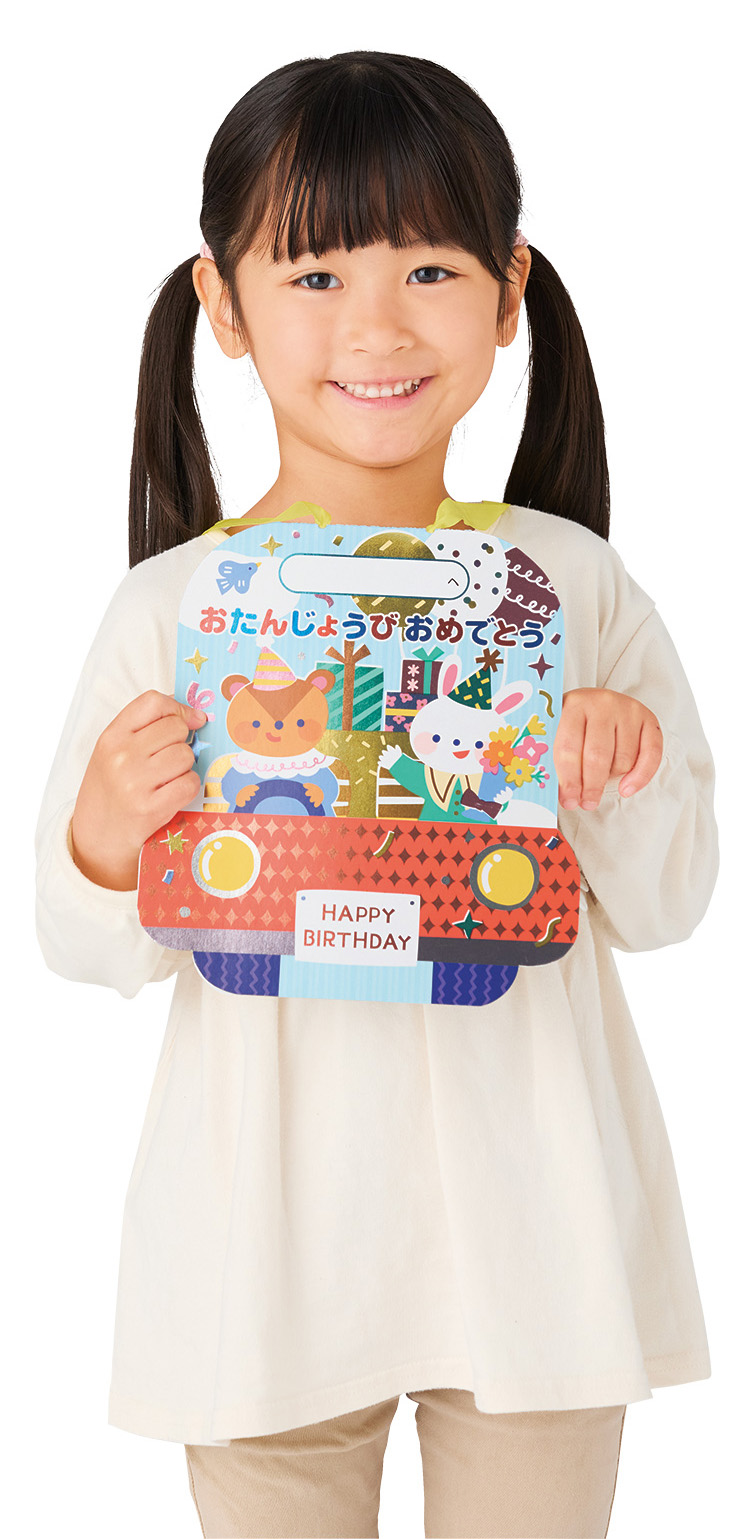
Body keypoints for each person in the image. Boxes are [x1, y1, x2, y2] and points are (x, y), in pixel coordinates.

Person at [34, 48, 719, 1539]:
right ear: (222, 305)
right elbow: (85, 947)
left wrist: (606, 765)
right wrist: (105, 831)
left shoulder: (567, 586)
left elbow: (670, 903)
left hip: (533, 1235)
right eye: (316, 274)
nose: (378, 324)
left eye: (428, 268)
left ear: (508, 290)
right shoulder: (174, 608)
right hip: (260, 1249)